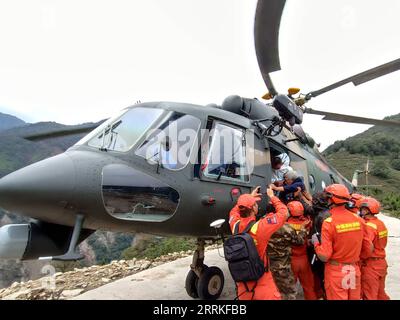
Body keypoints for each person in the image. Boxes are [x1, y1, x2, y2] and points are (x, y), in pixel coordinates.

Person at [310, 184, 372, 300]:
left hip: (336, 272)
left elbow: (324, 256)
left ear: (331, 199)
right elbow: (368, 248)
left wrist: (316, 244)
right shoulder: (359, 220)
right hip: (352, 269)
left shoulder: (329, 223)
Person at [228, 185, 290, 300]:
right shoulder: (260, 227)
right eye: (255, 204)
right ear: (254, 209)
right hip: (262, 283)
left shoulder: (234, 225)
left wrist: (246, 199)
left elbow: (233, 212)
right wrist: (272, 197)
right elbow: (284, 213)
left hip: (243, 287)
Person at [268, 202, 307, 300]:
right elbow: (300, 241)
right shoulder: (287, 227)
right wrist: (303, 229)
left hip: (269, 264)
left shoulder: (263, 223)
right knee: (291, 291)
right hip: (286, 264)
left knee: (275, 290)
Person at [359, 197, 390, 300]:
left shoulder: (369, 226)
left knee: (369, 295)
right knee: (381, 294)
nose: (361, 210)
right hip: (381, 263)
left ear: (368, 210)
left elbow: (368, 247)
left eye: (363, 208)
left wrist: (361, 258)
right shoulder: (380, 223)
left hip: (371, 265)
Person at [286, 201, 318, 300]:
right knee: (308, 287)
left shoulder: (285, 225)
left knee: (289, 290)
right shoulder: (307, 222)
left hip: (291, 260)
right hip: (304, 259)